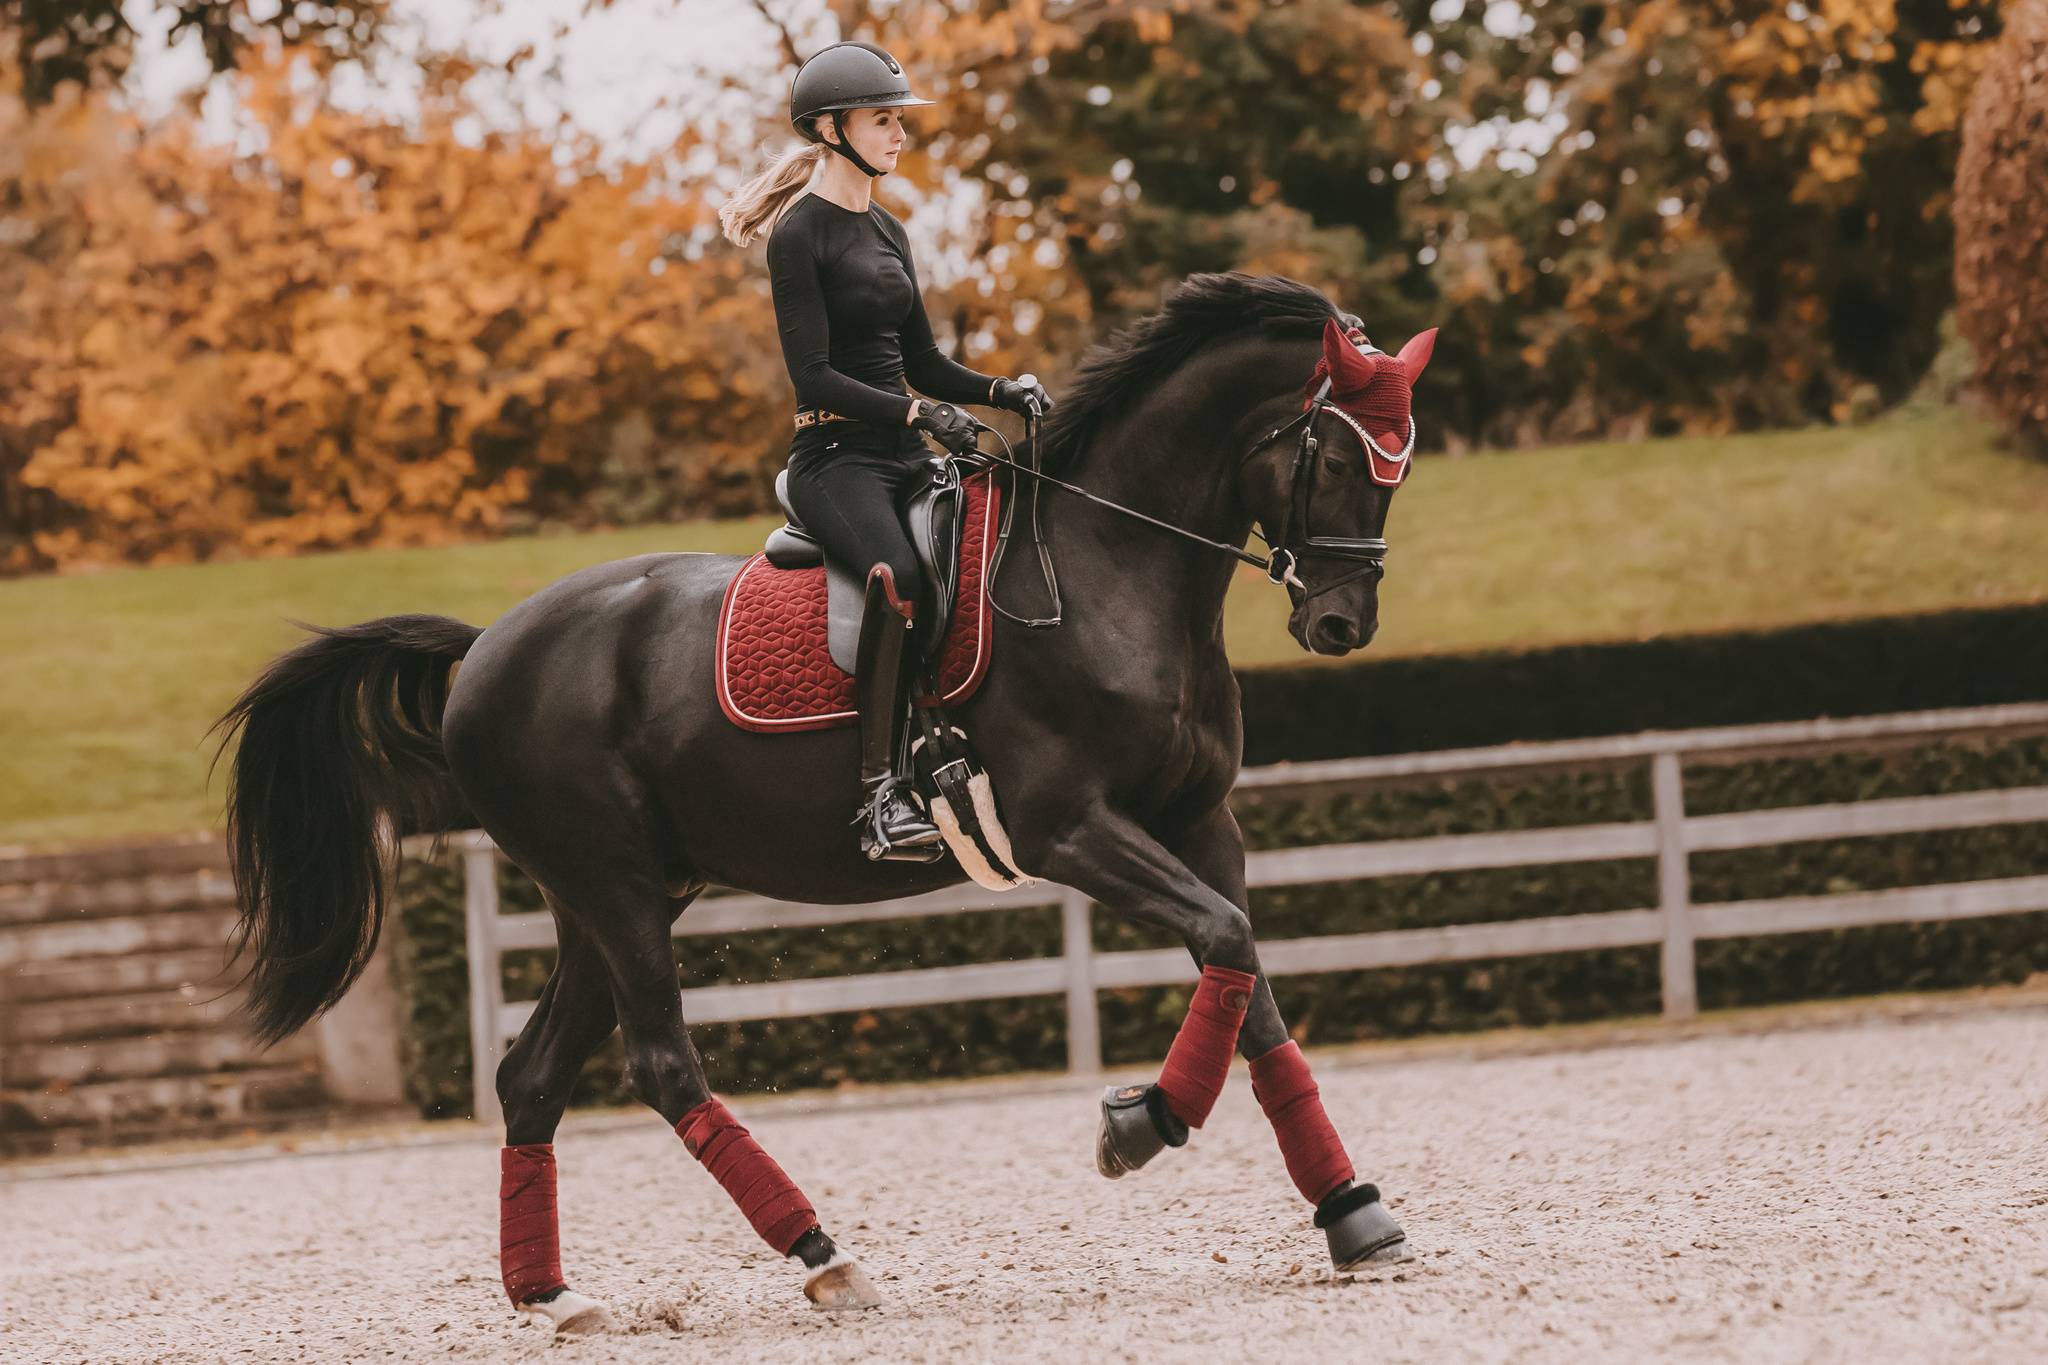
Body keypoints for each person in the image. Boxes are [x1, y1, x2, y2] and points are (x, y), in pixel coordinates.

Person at [718, 40, 1052, 862]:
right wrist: (914, 416)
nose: (899, 134)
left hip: (906, 450)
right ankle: (879, 795)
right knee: (898, 577)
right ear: (832, 128)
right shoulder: (798, 236)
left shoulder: (891, 229)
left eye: (900, 120)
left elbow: (927, 363)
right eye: (883, 120)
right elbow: (816, 375)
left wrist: (998, 390)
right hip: (836, 460)